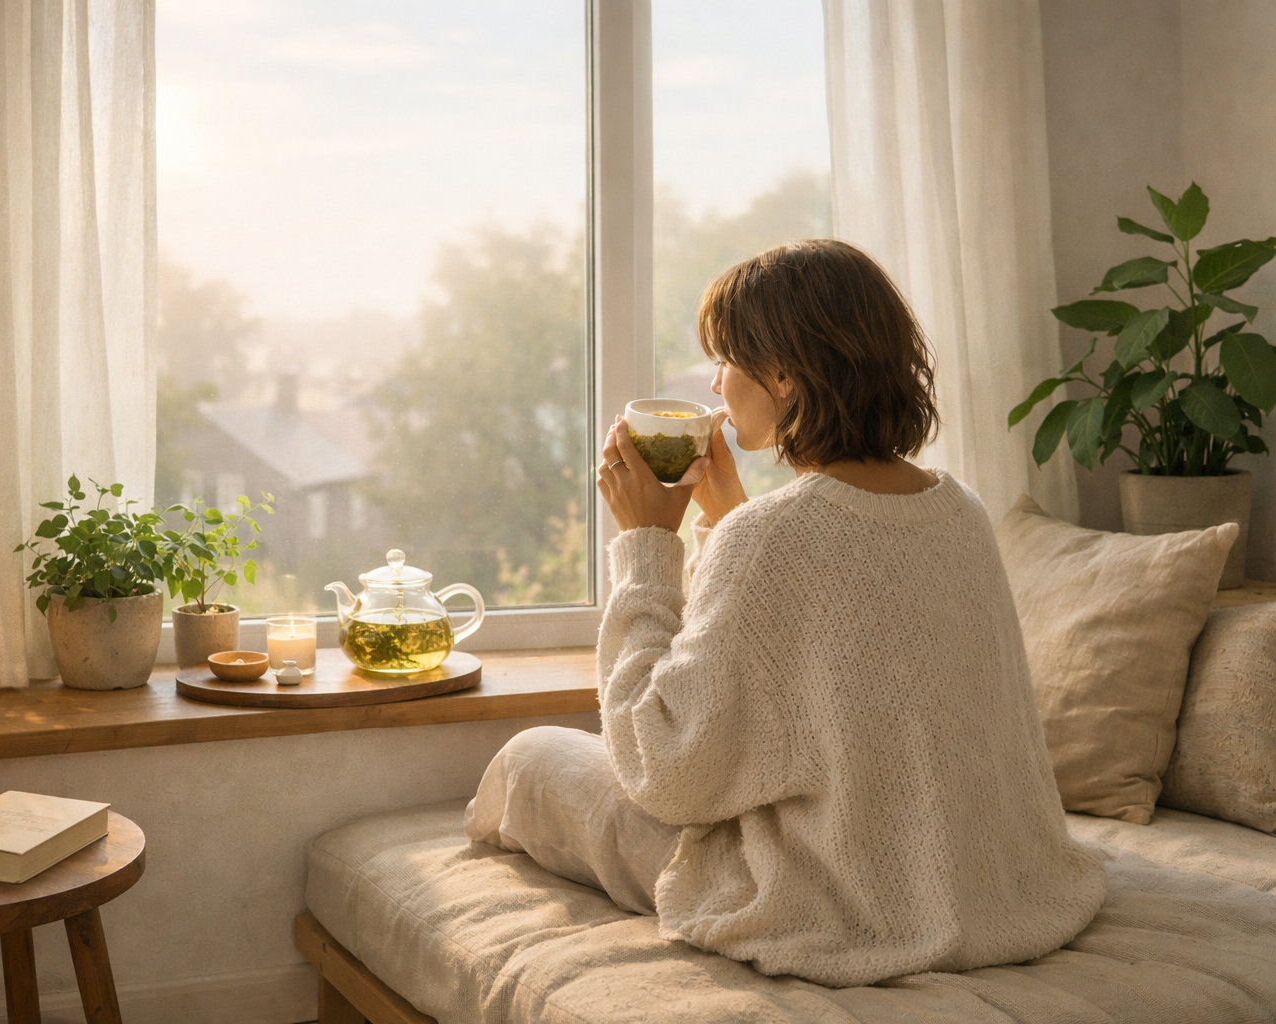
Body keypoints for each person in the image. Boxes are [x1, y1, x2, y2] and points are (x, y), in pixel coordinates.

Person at [464, 239, 1106, 988]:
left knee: (532, 757)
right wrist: (723, 517)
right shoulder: (958, 509)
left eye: (727, 362)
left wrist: (644, 545)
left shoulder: (772, 537)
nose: (714, 383)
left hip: (838, 899)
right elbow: (798, 674)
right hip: (988, 880)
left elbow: (663, 772)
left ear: (784, 375)